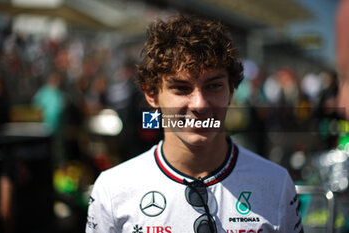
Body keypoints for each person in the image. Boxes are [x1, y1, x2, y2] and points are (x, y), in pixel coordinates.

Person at [86, 14, 303, 233]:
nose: (199, 104)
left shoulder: (276, 183)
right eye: (181, 88)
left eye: (214, 85)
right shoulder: (112, 190)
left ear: (231, 90)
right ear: (152, 94)